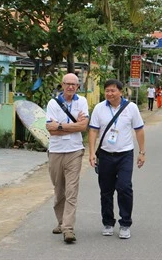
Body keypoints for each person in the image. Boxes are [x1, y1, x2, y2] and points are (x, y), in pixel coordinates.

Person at [88, 79, 146, 240]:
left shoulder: (131, 108)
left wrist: (142, 152)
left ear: (121, 91)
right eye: (107, 90)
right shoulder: (99, 109)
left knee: (124, 187)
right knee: (106, 191)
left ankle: (125, 223)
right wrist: (92, 152)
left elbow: (139, 130)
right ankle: (108, 222)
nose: (109, 93)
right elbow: (93, 131)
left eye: (113, 90)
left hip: (125, 154)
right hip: (105, 155)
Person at [45, 73, 90, 244]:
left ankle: (68, 228)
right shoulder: (52, 103)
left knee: (71, 190)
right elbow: (51, 129)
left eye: (74, 84)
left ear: (78, 87)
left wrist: (61, 125)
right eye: (68, 84)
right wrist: (73, 126)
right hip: (56, 151)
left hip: (75, 151)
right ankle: (61, 221)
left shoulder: (82, 102)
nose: (71, 87)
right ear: (62, 85)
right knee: (59, 189)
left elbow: (83, 126)